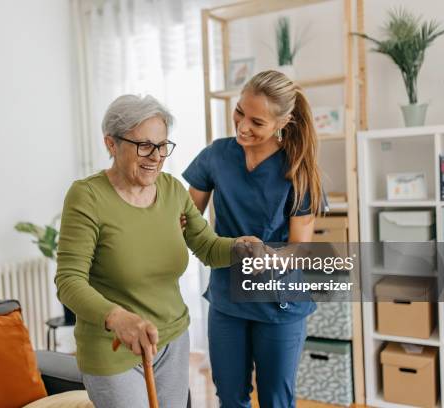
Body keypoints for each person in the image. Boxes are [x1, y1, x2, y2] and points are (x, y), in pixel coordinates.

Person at [55, 94, 261, 408]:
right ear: (111, 144)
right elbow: (69, 281)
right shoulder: (87, 197)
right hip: (113, 346)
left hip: (173, 339)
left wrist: (239, 248)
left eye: (163, 145)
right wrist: (118, 318)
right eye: (144, 145)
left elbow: (206, 246)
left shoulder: (172, 190)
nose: (156, 156)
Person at [183, 70, 323, 408]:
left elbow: (299, 248)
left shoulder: (297, 169)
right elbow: (185, 219)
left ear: (283, 122)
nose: (243, 126)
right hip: (227, 298)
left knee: (276, 399)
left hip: (278, 301)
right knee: (230, 396)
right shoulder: (215, 156)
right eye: (239, 112)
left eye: (256, 121)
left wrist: (267, 257)